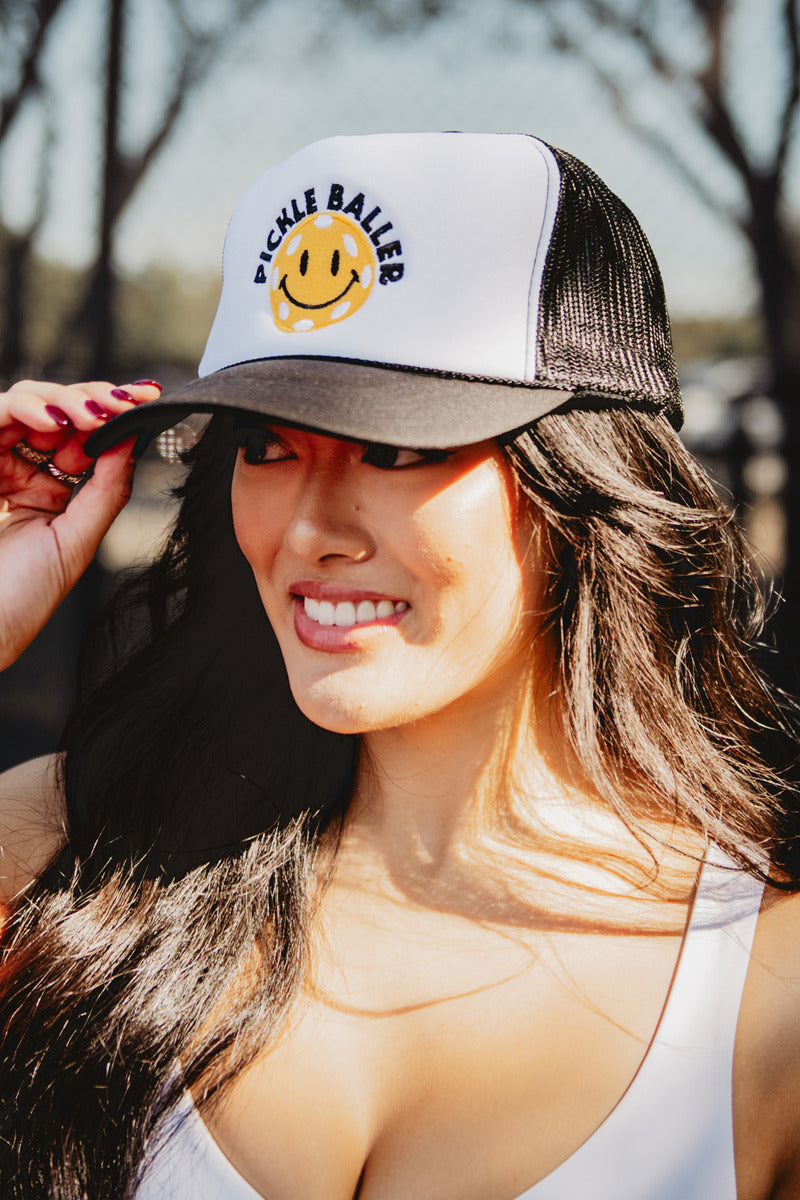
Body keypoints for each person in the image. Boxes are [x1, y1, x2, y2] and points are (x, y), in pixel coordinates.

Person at [1, 132, 799, 1200]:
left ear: (583, 485)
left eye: (396, 447)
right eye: (265, 444)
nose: (309, 530)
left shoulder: (765, 994)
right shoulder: (71, 855)